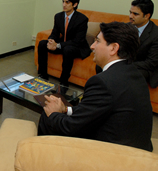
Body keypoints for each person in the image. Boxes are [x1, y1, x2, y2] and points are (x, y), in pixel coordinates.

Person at [38, 22, 153, 152]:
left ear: (113, 48)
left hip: (115, 153)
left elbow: (71, 127)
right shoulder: (134, 73)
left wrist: (54, 113)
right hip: (136, 147)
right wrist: (66, 109)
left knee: (48, 117)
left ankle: (41, 158)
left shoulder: (102, 82)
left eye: (97, 41)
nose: (92, 46)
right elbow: (96, 110)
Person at [37, 0, 91, 91]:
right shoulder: (58, 16)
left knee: (68, 49)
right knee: (42, 44)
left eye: (67, 2)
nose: (64, 5)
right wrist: (51, 42)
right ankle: (43, 75)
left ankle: (63, 82)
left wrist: (57, 45)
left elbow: (77, 41)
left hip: (77, 47)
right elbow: (55, 33)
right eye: (63, 2)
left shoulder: (82, 19)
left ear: (75, 4)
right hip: (63, 45)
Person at [129, 0, 158, 88]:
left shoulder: (155, 34)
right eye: (130, 12)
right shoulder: (126, 27)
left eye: (135, 14)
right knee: (101, 66)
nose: (130, 16)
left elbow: (151, 63)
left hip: (145, 68)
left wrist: (125, 64)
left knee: (128, 73)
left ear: (146, 16)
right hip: (127, 63)